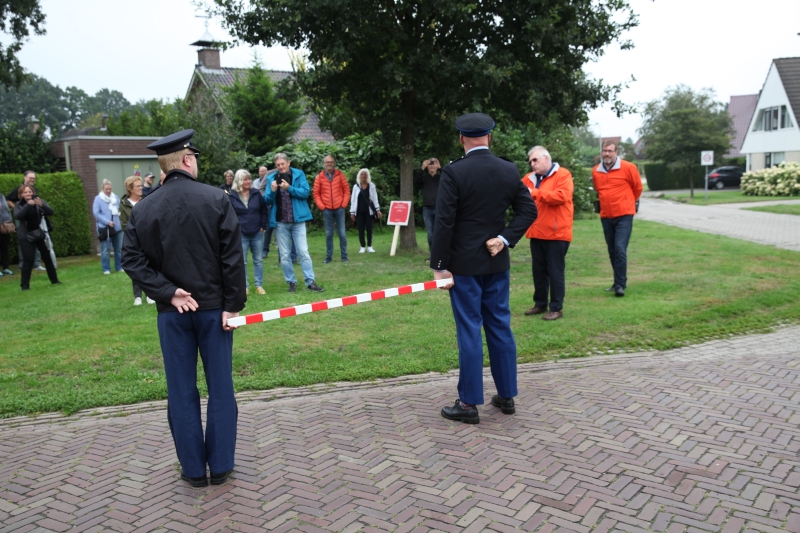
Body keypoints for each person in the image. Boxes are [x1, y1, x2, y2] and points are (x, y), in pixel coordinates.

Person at [122, 129, 246, 487]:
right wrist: (232, 306)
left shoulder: (144, 208)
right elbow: (232, 259)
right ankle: (219, 465)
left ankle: (193, 469)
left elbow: (131, 260)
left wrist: (168, 292)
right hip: (213, 312)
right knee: (220, 387)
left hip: (172, 314)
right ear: (187, 160)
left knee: (180, 390)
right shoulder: (216, 198)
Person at [431, 113, 537, 425]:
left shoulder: (454, 172)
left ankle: (468, 403)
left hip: (464, 265)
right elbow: (528, 210)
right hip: (496, 262)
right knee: (500, 326)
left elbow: (444, 222)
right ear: (489, 137)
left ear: (461, 138)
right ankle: (506, 395)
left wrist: (439, 267)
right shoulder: (508, 169)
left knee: (469, 329)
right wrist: (503, 239)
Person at [521, 146, 573, 321]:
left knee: (555, 271)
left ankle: (556, 308)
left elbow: (561, 196)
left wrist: (534, 193)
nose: (532, 164)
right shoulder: (529, 178)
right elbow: (514, 190)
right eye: (530, 161)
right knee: (539, 271)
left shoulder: (563, 175)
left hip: (557, 233)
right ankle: (540, 303)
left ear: (546, 158)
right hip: (537, 232)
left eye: (535, 160)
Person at [264, 153, 324, 293]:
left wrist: (289, 188)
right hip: (281, 222)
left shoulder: (299, 174)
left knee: (303, 252)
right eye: (278, 165)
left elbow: (305, 193)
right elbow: (266, 200)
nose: (280, 167)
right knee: (285, 256)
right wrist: (272, 192)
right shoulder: (271, 178)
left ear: (288, 163)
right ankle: (291, 282)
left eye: (282, 164)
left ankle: (310, 281)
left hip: (298, 221)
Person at [592, 140, 643, 297]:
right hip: (606, 216)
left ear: (616, 152)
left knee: (620, 248)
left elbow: (637, 188)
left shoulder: (628, 167)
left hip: (624, 215)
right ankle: (618, 281)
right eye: (605, 151)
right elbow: (598, 190)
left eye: (610, 151)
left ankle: (620, 285)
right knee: (612, 250)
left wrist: (628, 202)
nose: (607, 154)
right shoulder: (596, 171)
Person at [13, 184, 60, 290]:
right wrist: (28, 205)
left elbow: (51, 212)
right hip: (26, 236)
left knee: (47, 257)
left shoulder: (39, 201)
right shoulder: (19, 205)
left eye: (30, 192)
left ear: (33, 193)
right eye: (25, 192)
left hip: (39, 233)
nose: (28, 194)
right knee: (28, 260)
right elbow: (18, 216)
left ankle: (54, 280)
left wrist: (41, 205)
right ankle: (25, 285)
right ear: (21, 194)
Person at [229, 169, 268, 295]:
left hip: (257, 232)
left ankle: (259, 285)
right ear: (239, 181)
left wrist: (263, 225)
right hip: (241, 233)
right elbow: (229, 215)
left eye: (249, 179)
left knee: (258, 260)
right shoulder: (232, 196)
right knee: (242, 261)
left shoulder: (256, 193)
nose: (248, 181)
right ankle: (244, 286)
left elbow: (263, 210)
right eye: (245, 179)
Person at [120, 176, 154, 306]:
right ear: (130, 189)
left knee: (150, 266)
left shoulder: (147, 200)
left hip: (148, 239)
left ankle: (150, 294)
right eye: (138, 186)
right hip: (133, 241)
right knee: (137, 267)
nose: (141, 188)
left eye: (141, 185)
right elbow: (124, 224)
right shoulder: (123, 205)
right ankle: (137, 296)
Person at [313, 155, 350, 263]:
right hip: (327, 209)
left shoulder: (340, 175)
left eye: (331, 162)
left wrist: (343, 204)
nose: (329, 164)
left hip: (339, 208)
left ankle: (344, 256)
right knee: (329, 234)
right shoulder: (319, 177)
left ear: (334, 163)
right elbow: (316, 194)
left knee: (342, 233)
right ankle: (328, 257)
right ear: (324, 164)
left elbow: (346, 190)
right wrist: (322, 207)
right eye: (327, 162)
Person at [6, 170, 44, 271]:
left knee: (36, 238)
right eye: (30, 178)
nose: (32, 180)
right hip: (22, 219)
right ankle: (23, 265)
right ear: (25, 177)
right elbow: (8, 199)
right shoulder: (19, 189)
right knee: (23, 241)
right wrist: (17, 209)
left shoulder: (34, 189)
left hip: (33, 218)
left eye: (34, 178)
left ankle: (36, 264)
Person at [93, 179, 124, 275]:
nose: (108, 191)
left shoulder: (115, 198)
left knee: (118, 249)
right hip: (105, 228)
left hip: (117, 228)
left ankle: (119, 267)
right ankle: (106, 269)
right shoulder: (98, 199)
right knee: (106, 250)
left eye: (110, 189)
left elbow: (120, 209)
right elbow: (96, 213)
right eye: (106, 189)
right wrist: (107, 222)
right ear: (103, 189)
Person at [415, 157, 442, 261]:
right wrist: (422, 168)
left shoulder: (440, 178)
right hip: (427, 209)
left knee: (439, 233)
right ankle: (433, 255)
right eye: (430, 164)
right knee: (430, 234)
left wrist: (440, 167)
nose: (432, 166)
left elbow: (449, 178)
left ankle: (440, 254)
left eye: (433, 164)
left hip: (439, 208)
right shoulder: (424, 178)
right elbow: (416, 182)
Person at [349, 168, 381, 253]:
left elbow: (375, 199)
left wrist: (377, 210)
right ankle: (362, 246)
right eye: (362, 174)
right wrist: (352, 212)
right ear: (359, 176)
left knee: (369, 229)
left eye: (365, 174)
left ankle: (370, 246)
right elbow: (353, 200)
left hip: (369, 211)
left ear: (367, 176)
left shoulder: (371, 186)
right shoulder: (356, 187)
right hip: (359, 211)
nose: (363, 176)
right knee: (361, 229)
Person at [0, 193, 14, 277]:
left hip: (5, 226)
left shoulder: (2, 197)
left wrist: (9, 221)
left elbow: (7, 210)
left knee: (4, 248)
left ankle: (6, 268)